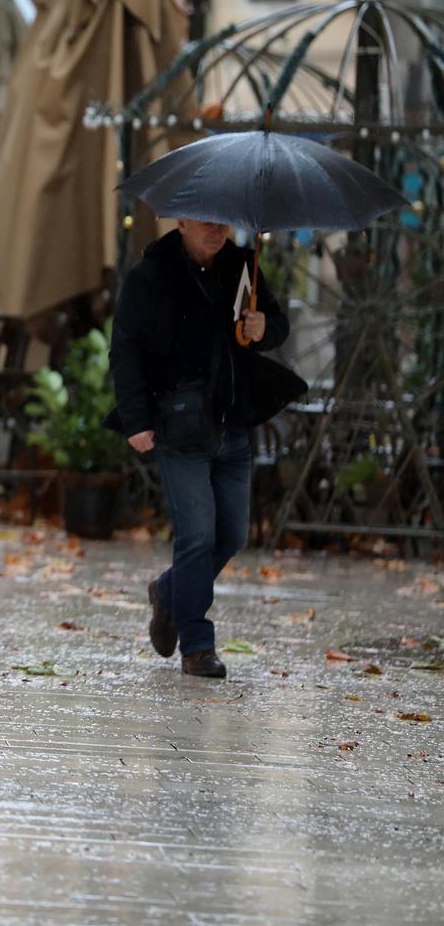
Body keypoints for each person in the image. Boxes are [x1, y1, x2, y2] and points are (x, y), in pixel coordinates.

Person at [109, 219, 302, 679]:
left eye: (222, 221)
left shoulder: (242, 266)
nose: (216, 229)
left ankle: (168, 591)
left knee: (232, 534)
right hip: (178, 426)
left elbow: (277, 324)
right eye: (205, 221)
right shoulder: (150, 275)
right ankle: (197, 644)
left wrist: (263, 328)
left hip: (232, 425)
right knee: (197, 535)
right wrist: (135, 419)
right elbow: (126, 348)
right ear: (182, 222)